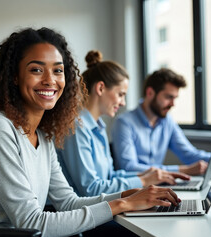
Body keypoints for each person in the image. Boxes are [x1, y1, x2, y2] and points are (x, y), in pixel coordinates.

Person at [0, 27, 180, 237]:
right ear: (14, 77)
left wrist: (125, 196)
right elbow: (32, 223)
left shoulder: (44, 136)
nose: (50, 80)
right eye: (36, 69)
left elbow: (68, 202)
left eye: (58, 70)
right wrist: (121, 205)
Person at [57, 50, 189, 198]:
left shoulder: (98, 127)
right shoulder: (76, 127)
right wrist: (143, 180)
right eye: (120, 94)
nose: (123, 103)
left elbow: (110, 176)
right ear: (100, 88)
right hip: (88, 216)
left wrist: (147, 173)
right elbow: (91, 190)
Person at [111, 68, 211, 176]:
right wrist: (181, 170)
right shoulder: (124, 123)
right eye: (169, 97)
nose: (173, 104)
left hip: (159, 186)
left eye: (175, 98)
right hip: (135, 189)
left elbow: (189, 154)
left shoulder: (167, 121)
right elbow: (129, 167)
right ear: (150, 93)